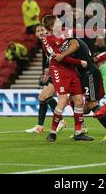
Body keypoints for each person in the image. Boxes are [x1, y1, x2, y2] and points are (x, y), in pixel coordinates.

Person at [40, 14, 94, 142]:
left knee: (79, 100)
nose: (60, 22)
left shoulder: (64, 33)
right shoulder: (47, 40)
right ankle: (53, 132)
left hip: (71, 69)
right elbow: (57, 58)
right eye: (58, 21)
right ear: (52, 26)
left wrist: (101, 31)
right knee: (63, 99)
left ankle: (78, 132)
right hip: (59, 70)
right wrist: (79, 62)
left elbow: (80, 32)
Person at [54, 37, 106, 142]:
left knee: (92, 104)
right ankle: (81, 129)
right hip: (84, 74)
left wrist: (62, 56)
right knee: (78, 102)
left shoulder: (72, 41)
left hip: (89, 74)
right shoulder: (71, 44)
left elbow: (76, 46)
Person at [25, 25, 67, 134]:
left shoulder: (50, 39)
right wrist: (46, 69)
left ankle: (61, 121)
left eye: (41, 30)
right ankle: (39, 126)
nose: (40, 32)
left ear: (46, 30)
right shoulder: (44, 42)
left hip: (60, 70)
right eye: (37, 31)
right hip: (54, 71)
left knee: (46, 96)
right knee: (42, 97)